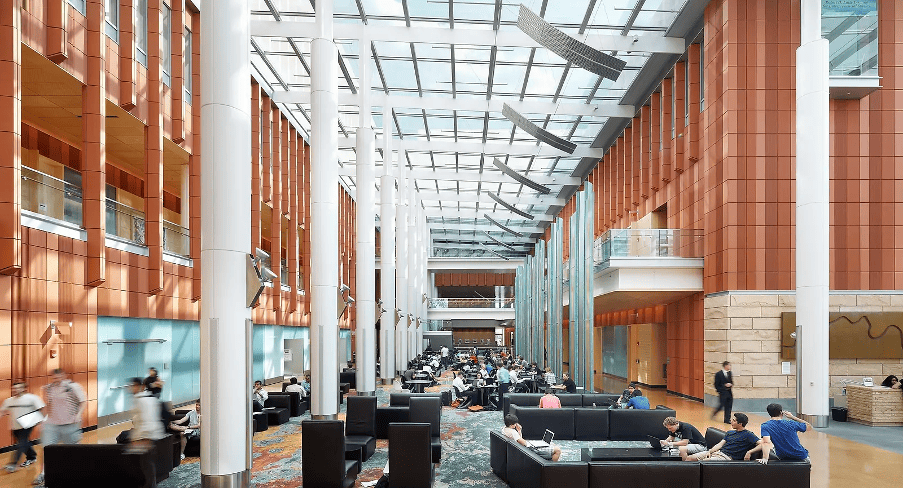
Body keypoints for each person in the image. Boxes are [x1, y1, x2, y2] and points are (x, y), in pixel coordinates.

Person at [34, 369, 87, 486]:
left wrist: (78, 415)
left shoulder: (73, 387)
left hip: (70, 424)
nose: (56, 380)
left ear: (64, 375)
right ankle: (43, 474)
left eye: (58, 377)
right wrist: (43, 421)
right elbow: (48, 405)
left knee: (73, 451)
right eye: (54, 378)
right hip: (51, 425)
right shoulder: (48, 388)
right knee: (46, 449)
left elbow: (83, 401)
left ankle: (75, 474)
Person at [0, 381, 45, 472]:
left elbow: (42, 409)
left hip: (28, 424)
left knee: (22, 443)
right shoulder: (9, 401)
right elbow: (2, 411)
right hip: (15, 426)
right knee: (23, 442)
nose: (16, 390)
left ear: (24, 388)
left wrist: (42, 422)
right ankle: (32, 456)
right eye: (14, 388)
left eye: (19, 388)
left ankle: (14, 464)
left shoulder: (32, 398)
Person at [744, 403, 811, 464]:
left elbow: (766, 442)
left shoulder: (765, 426)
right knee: (805, 453)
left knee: (773, 449)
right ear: (781, 412)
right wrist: (792, 417)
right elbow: (809, 427)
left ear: (769, 413)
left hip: (783, 457)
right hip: (800, 455)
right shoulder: (791, 423)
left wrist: (765, 458)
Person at [686, 413, 759, 461]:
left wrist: (749, 452)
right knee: (689, 458)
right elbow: (720, 444)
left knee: (703, 462)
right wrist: (710, 451)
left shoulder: (749, 435)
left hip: (727, 458)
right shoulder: (730, 433)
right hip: (718, 453)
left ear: (740, 424)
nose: (731, 421)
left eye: (734, 420)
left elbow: (764, 443)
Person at [127, 377, 165, 453]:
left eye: (133, 386)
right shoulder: (144, 397)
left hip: (147, 434)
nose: (131, 388)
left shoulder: (142, 399)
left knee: (143, 458)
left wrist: (139, 437)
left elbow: (147, 419)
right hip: (149, 433)